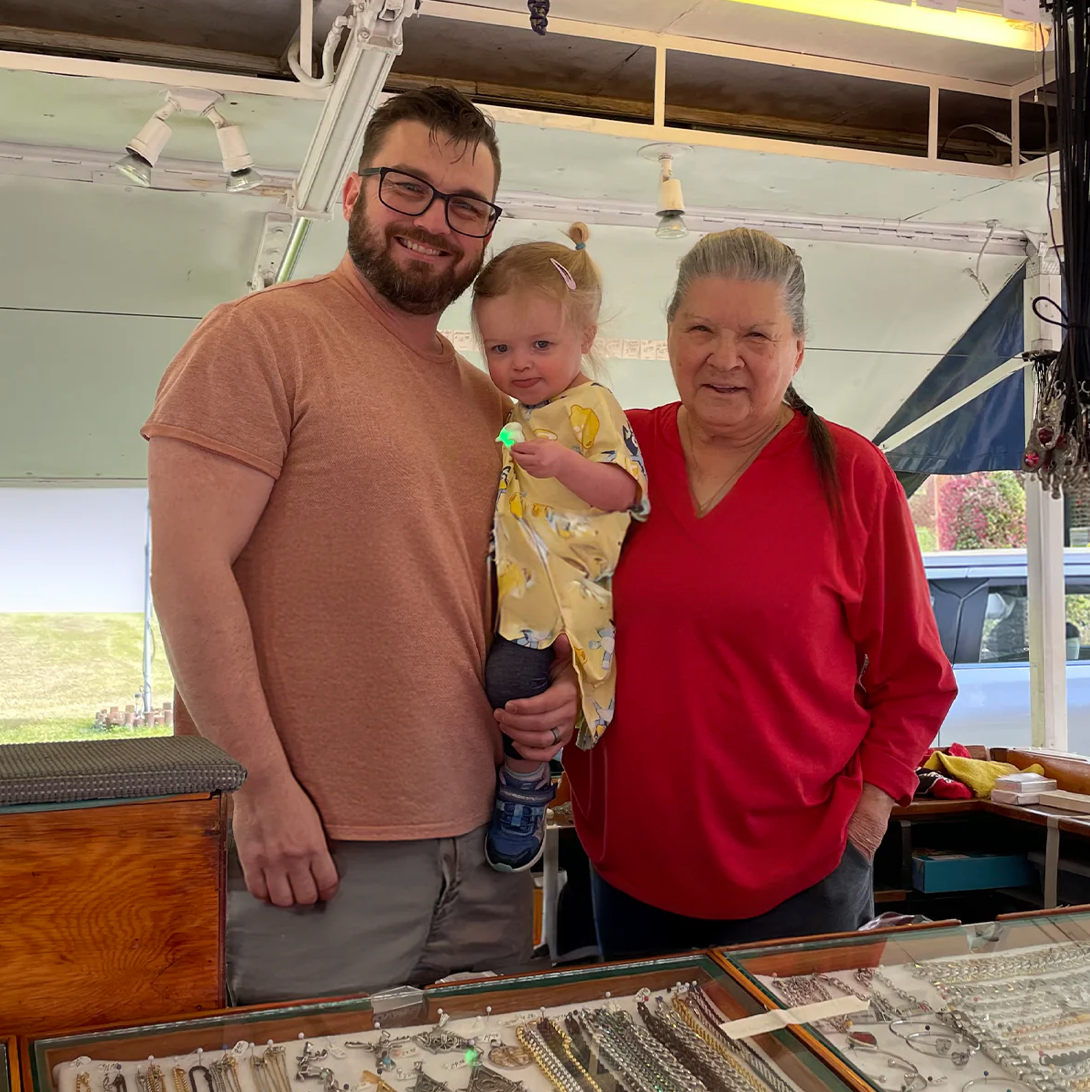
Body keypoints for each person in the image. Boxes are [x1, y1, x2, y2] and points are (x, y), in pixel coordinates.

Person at [141, 85, 578, 1004]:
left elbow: (527, 586)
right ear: (352, 193)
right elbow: (187, 572)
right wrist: (258, 789)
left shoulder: (492, 408)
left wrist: (564, 689)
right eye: (407, 189)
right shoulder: (261, 341)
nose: (434, 224)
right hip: (319, 851)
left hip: (487, 849)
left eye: (467, 207)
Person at [565, 227, 958, 959]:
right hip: (629, 873)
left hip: (803, 881)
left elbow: (916, 680)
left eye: (756, 335)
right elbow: (557, 608)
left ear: (797, 350)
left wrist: (867, 821)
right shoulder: (613, 453)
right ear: (671, 336)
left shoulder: (851, 473)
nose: (725, 358)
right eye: (701, 330)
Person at [472, 223, 649, 872]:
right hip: (526, 600)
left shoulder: (591, 407)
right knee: (506, 683)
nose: (520, 363)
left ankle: (526, 782)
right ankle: (528, 771)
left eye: (541, 344)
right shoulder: (513, 415)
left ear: (586, 341)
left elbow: (624, 489)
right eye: (500, 347)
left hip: (578, 593)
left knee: (529, 694)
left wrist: (565, 466)